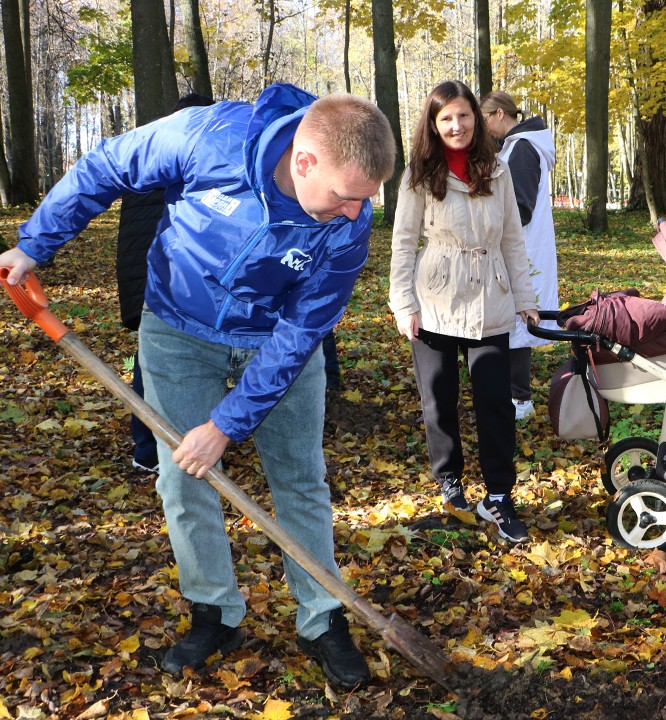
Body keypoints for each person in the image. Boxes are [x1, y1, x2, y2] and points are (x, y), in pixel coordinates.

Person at [1, 83, 396, 687]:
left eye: (363, 200)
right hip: (179, 329)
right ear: (304, 159)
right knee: (182, 479)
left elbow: (299, 336)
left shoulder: (348, 225)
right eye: (346, 196)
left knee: (300, 480)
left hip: (273, 345)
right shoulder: (211, 138)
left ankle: (322, 616)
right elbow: (109, 165)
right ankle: (213, 611)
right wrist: (36, 243)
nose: (354, 211)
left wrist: (226, 425)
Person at [389, 80, 539, 543]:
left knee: (495, 402)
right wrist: (403, 303)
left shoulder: (497, 169)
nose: (456, 125)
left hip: (489, 298)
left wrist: (525, 298)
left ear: (477, 117)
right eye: (446, 118)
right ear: (434, 125)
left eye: (464, 115)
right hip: (435, 301)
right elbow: (402, 242)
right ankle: (450, 482)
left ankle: (498, 495)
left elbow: (512, 238)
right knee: (439, 401)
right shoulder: (419, 172)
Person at [117, 93, 215, 475]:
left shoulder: (147, 157)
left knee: (150, 364)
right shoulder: (195, 164)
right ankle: (154, 448)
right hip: (171, 284)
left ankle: (150, 448)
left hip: (148, 280)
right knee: (163, 366)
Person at [478, 91, 559, 421]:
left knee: (518, 323)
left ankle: (520, 400)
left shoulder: (523, 149)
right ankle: (512, 395)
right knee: (510, 321)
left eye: (482, 120)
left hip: (521, 247)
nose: (482, 129)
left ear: (499, 114)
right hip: (514, 245)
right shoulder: (515, 146)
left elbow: (520, 207)